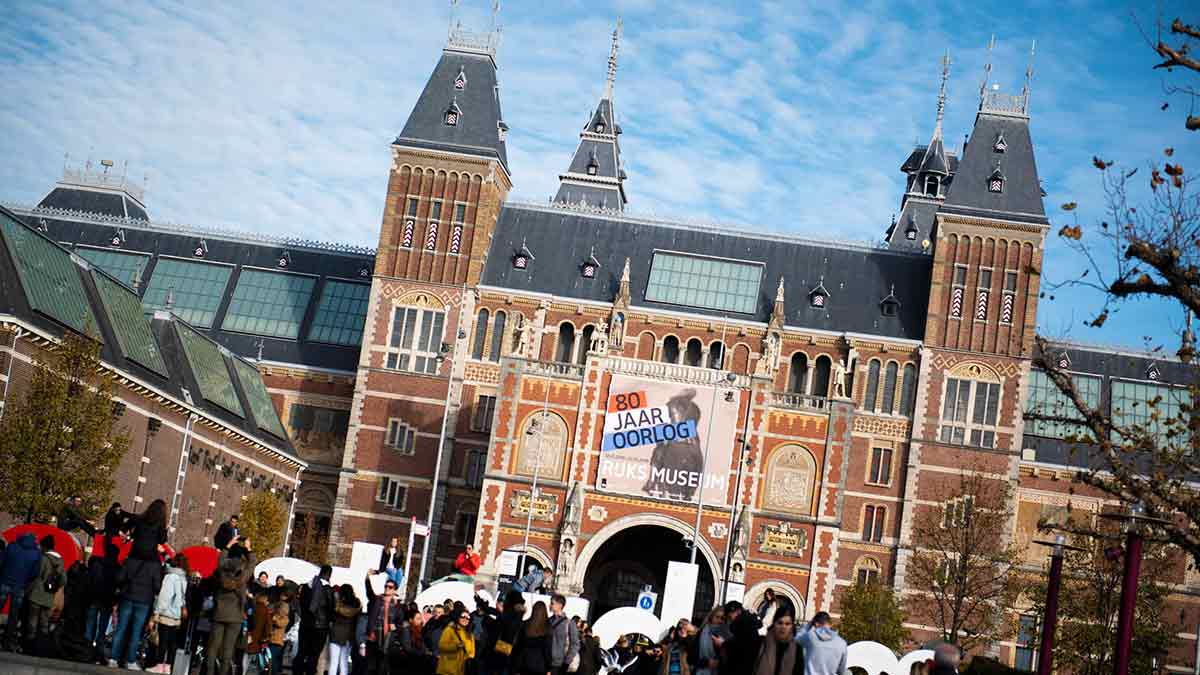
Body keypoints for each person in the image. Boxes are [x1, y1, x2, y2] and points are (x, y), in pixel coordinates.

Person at [111, 539, 165, 669]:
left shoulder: (130, 561)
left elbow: (119, 578)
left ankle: (113, 658)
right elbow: (157, 586)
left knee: (121, 628)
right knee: (136, 631)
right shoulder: (154, 566)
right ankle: (130, 660)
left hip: (128, 596)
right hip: (144, 600)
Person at [205, 537, 256, 675]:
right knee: (228, 650)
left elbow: (220, 559)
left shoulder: (222, 570)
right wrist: (249, 548)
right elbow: (252, 564)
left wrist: (228, 545)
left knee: (213, 648)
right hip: (235, 616)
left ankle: (209, 672)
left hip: (219, 613)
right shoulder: (243, 574)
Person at [0, 532, 41, 650]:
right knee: (14, 615)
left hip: (5, 582)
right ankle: (8, 641)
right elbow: (35, 573)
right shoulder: (36, 553)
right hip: (20, 586)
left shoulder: (12, 547)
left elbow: (2, 562)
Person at [150, 555, 189, 674]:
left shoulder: (170, 577)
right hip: (176, 615)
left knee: (162, 641)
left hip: (166, 613)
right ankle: (168, 666)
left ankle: (159, 664)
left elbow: (164, 597)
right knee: (172, 642)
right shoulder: (183, 578)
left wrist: (156, 613)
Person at [26, 535, 65, 643]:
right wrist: (54, 586)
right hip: (49, 595)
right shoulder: (60, 561)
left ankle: (30, 642)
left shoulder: (42, 558)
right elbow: (63, 580)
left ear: (44, 546)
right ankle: (42, 644)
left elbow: (36, 574)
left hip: (37, 593)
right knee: (45, 621)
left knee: (33, 619)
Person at [85, 543, 121, 662]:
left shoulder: (97, 564)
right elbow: (118, 585)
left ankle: (86, 649)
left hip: (94, 597)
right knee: (102, 628)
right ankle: (99, 652)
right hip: (107, 600)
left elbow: (90, 580)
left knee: (90, 624)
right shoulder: (117, 568)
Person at [296, 565, 334, 675]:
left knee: (302, 652)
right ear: (329, 574)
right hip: (320, 627)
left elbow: (301, 603)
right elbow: (331, 607)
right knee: (314, 655)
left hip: (305, 624)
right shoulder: (327, 589)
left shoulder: (308, 586)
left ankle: (297, 671)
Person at [364, 570, 403, 675]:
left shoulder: (397, 606)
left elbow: (402, 624)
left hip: (386, 640)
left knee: (381, 669)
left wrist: (396, 627)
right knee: (369, 668)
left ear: (394, 591)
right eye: (386, 586)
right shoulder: (377, 599)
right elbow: (368, 590)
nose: (387, 588)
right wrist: (367, 578)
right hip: (373, 638)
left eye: (390, 587)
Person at [714, 601, 762, 674]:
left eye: (730, 617)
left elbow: (740, 646)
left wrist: (723, 644)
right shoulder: (750, 621)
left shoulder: (742, 623)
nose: (730, 620)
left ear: (738, 611)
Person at [752, 610, 804, 675]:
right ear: (774, 623)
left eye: (787, 624)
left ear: (792, 626)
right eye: (780, 623)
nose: (783, 627)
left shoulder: (797, 649)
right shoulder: (761, 643)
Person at [328, 583, 362, 675]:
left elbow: (331, 617)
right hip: (348, 636)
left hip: (335, 635)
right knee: (344, 663)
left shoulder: (338, 604)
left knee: (333, 663)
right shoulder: (357, 604)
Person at [511, 600, 553, 675]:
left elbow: (518, 646)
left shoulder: (525, 625)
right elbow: (548, 650)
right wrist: (549, 668)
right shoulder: (547, 628)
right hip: (540, 666)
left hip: (524, 663)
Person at [436, 607, 475, 675]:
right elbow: (441, 646)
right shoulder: (450, 630)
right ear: (458, 617)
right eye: (463, 616)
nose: (465, 619)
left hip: (461, 670)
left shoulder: (470, 634)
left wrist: (469, 660)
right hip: (447, 670)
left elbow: (472, 652)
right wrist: (456, 646)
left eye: (468, 617)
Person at [548, 594, 579, 675]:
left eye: (552, 603)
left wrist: (566, 662)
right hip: (546, 661)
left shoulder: (569, 623)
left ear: (560, 605)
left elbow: (575, 644)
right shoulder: (548, 621)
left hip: (559, 664)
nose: (549, 605)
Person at [267, 587, 293, 675]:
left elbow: (280, 624)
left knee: (273, 660)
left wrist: (274, 618)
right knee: (272, 660)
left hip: (277, 642)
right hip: (271, 640)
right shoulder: (276, 611)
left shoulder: (285, 618)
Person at [694, 607, 726, 675]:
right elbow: (691, 658)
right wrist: (707, 662)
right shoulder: (701, 633)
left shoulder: (726, 635)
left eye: (722, 618)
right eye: (717, 617)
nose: (720, 620)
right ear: (711, 617)